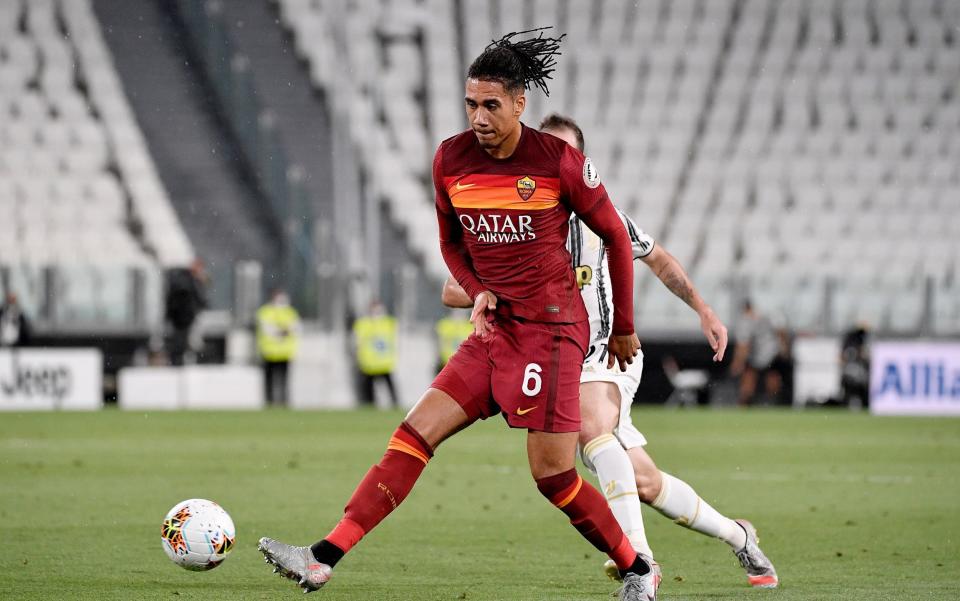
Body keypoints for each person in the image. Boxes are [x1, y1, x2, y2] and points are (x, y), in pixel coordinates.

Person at [259, 29, 655, 600]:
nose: (479, 116)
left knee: (555, 479)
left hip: (551, 335)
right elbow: (451, 245)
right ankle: (322, 558)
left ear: (520, 104)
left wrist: (623, 328)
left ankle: (637, 570)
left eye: (491, 105)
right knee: (412, 435)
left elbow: (617, 238)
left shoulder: (556, 162)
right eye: (471, 103)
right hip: (495, 332)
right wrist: (478, 290)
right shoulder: (450, 159)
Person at [443, 113, 778, 592]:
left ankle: (639, 562)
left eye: (566, 155)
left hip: (607, 350)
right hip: (557, 358)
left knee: (590, 426)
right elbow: (451, 289)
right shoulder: (514, 226)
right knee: (644, 482)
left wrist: (703, 309)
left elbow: (657, 258)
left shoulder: (603, 218)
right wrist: (496, 289)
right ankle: (738, 535)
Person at [730, 300, 782, 406]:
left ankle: (745, 403)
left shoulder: (745, 321)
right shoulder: (765, 316)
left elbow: (743, 345)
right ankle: (774, 403)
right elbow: (781, 331)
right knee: (772, 377)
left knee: (749, 377)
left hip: (758, 355)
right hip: (772, 352)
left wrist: (738, 363)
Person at [256, 289, 301, 406]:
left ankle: (284, 402)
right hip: (269, 352)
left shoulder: (290, 312)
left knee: (284, 380)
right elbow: (267, 330)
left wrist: (280, 331)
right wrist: (284, 331)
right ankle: (269, 402)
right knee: (269, 380)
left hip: (284, 352)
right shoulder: (266, 312)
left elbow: (295, 328)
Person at [352, 300, 399, 407]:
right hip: (369, 363)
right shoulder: (363, 323)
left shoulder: (389, 323)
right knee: (368, 390)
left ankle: (394, 405)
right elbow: (358, 342)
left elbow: (395, 340)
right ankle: (370, 406)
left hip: (384, 363)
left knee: (390, 388)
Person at [164, 259, 208, 366]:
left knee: (182, 341)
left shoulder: (187, 279)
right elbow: (187, 298)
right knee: (180, 342)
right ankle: (176, 362)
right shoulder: (186, 280)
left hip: (184, 317)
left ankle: (178, 361)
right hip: (182, 318)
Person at [839, 323, 870, 408]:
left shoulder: (851, 342)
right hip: (851, 371)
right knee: (849, 389)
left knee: (857, 389)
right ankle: (846, 404)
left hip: (855, 371)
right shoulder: (853, 342)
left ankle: (861, 404)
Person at [434, 308, 473, 373]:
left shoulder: (471, 327)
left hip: (463, 367)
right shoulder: (443, 325)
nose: (459, 312)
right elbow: (438, 345)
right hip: (445, 364)